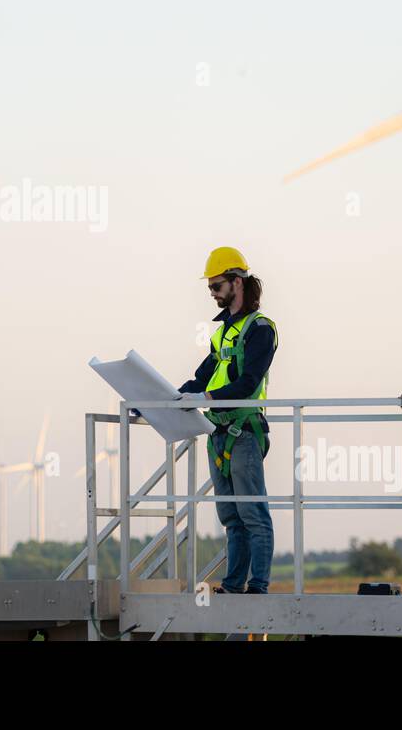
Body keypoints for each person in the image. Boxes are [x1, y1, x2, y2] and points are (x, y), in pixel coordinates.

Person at [178, 247, 278, 594]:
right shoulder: (221, 333)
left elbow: (248, 381)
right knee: (231, 518)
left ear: (238, 282)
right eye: (210, 287)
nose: (212, 293)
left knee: (253, 514)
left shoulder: (261, 329)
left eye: (217, 285)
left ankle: (258, 586)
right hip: (218, 431)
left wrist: (203, 398)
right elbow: (201, 378)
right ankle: (234, 585)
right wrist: (162, 399)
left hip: (245, 430)